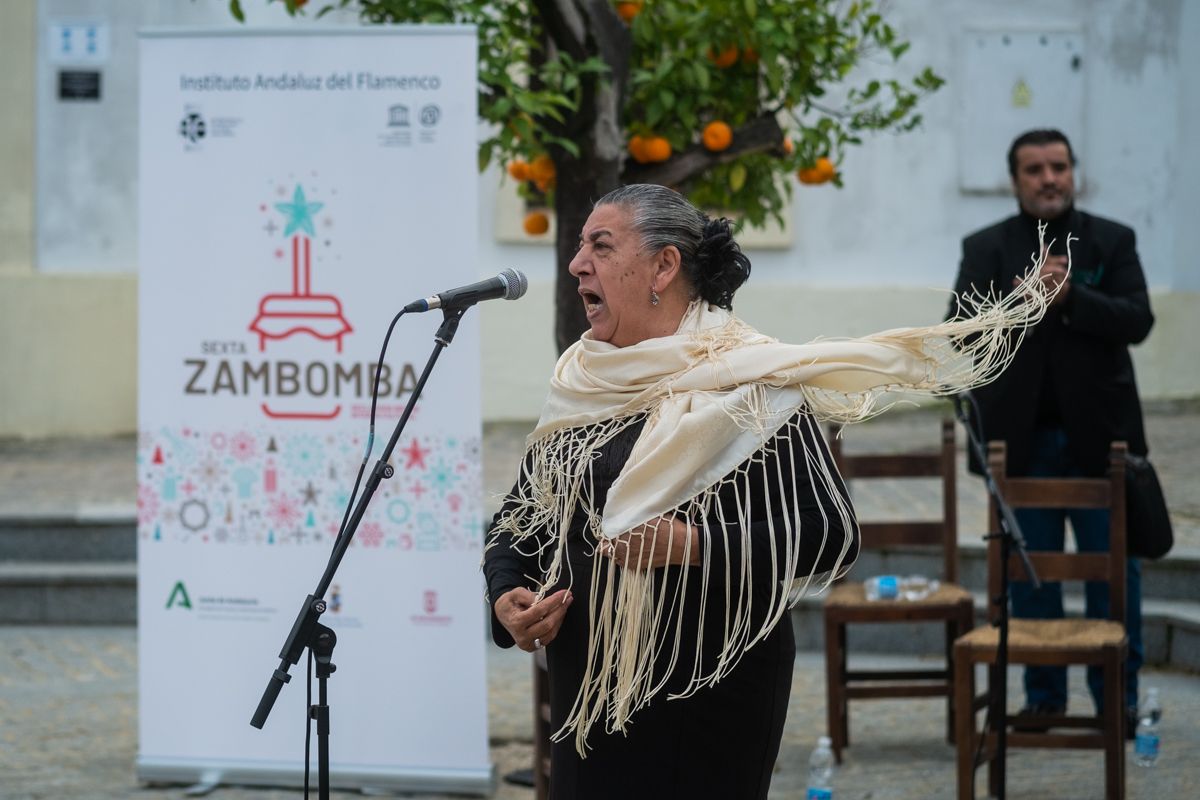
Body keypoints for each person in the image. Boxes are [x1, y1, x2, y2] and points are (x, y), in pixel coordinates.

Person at [484, 184, 1053, 800]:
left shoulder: (753, 385)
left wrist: (695, 546)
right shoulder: (583, 382)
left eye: (600, 246)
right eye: (580, 247)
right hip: (590, 686)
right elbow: (519, 519)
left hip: (709, 689)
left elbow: (831, 533)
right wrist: (506, 594)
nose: (577, 264)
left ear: (664, 266)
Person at [949, 129, 1153, 734]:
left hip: (1104, 443)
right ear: (1015, 180)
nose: (1049, 179)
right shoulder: (986, 247)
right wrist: (1019, 306)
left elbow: (1138, 319)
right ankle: (1044, 699)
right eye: (1034, 169)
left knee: (1115, 576)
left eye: (1058, 166)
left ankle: (1119, 698)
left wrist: (1071, 299)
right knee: (1031, 575)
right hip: (1020, 444)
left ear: (1073, 172)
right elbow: (958, 331)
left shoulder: (1112, 239)